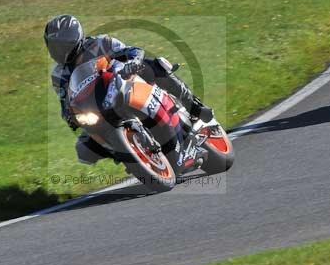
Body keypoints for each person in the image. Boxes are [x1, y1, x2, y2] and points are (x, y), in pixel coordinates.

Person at [44, 14, 212, 163]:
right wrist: (68, 115)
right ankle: (129, 155)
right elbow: (65, 100)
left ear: (73, 40)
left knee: (155, 65)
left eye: (59, 46)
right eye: (52, 46)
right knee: (84, 149)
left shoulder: (100, 43)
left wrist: (133, 61)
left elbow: (131, 51)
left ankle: (195, 106)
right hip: (97, 107)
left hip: (123, 81)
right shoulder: (59, 74)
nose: (56, 51)